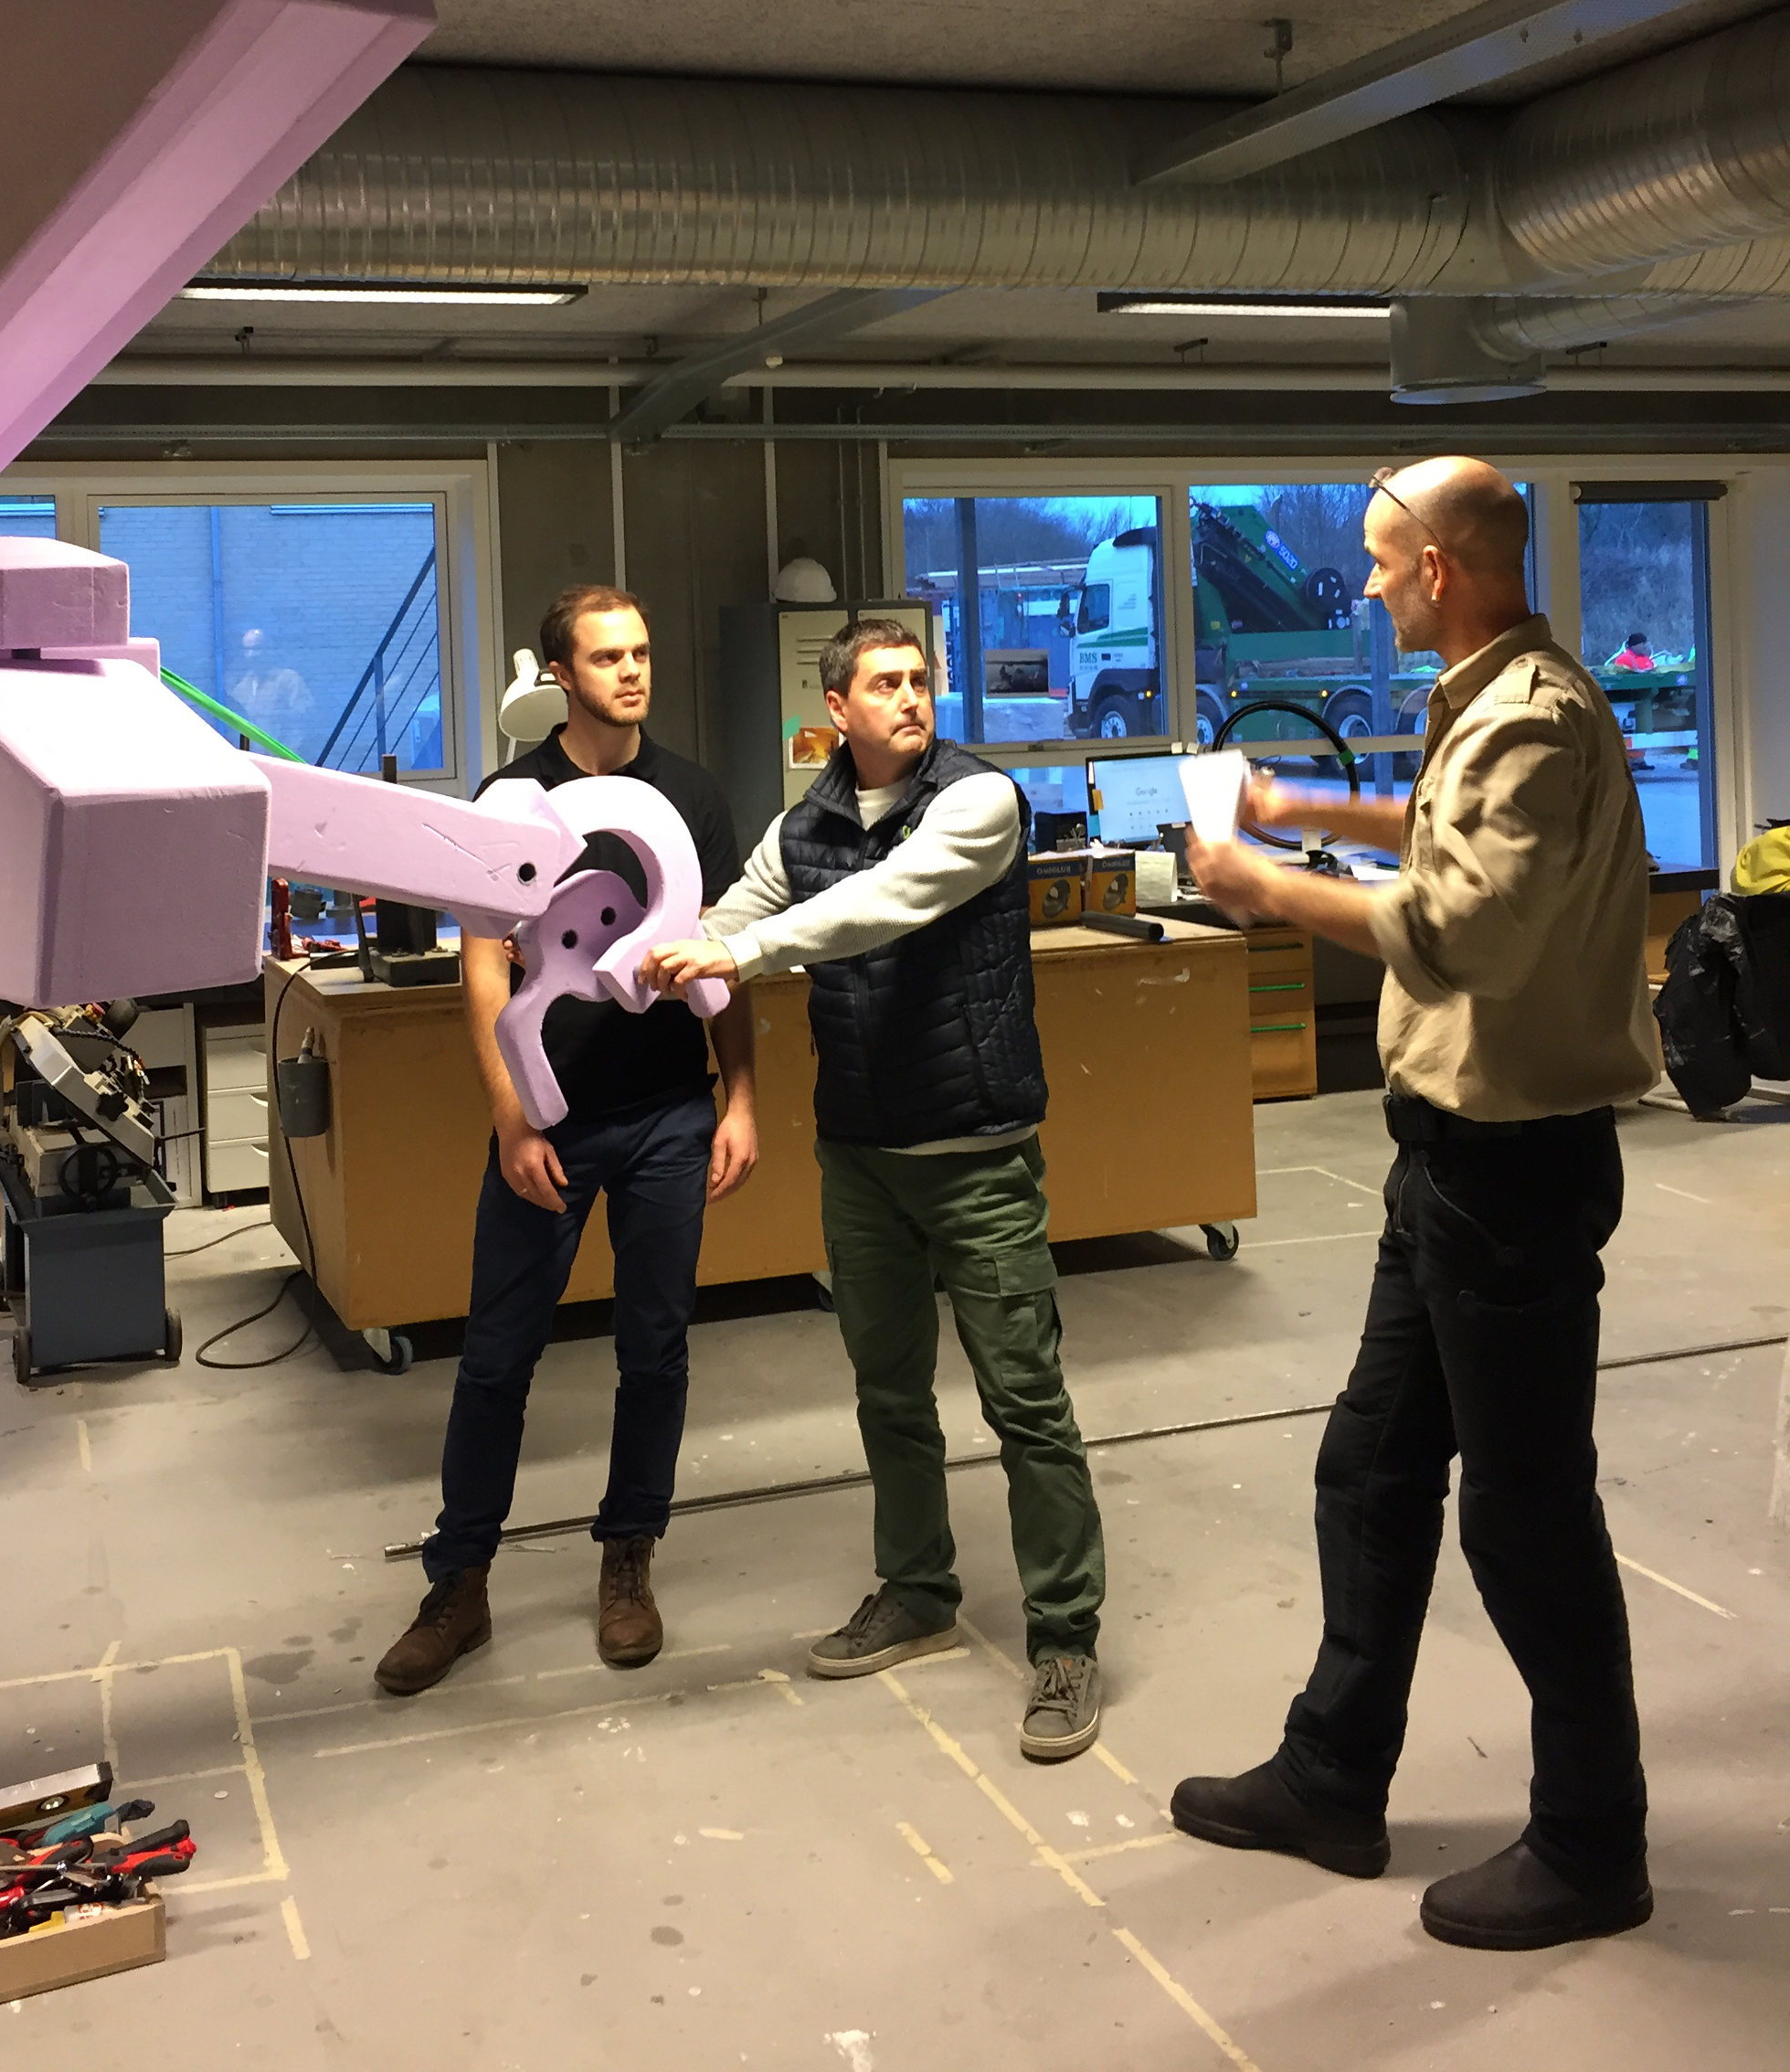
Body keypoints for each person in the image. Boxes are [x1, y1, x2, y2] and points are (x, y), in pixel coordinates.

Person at [1174, 457, 1659, 1952]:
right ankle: (1331, 1772)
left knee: (1522, 1521)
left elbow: (1448, 930)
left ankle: (1589, 1842)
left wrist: (1257, 878)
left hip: (1507, 1170)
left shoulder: (1529, 716)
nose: (1367, 584)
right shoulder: (1484, 696)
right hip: (1441, 1159)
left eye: (1382, 563)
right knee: (1370, 1466)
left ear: (1438, 569)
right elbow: (1441, 842)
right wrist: (1302, 801)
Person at [641, 618, 1107, 1762]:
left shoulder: (978, 800)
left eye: (921, 681)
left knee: (1026, 1405)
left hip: (977, 1156)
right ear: (836, 708)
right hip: (861, 1158)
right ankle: (917, 1590)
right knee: (888, 1395)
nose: (911, 698)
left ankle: (1066, 1639)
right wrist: (648, 953)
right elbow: (739, 909)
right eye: (884, 684)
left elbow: (882, 905)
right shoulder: (803, 827)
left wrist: (738, 960)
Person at [373, 587, 757, 1695]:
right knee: (496, 1358)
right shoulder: (515, 799)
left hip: (669, 1116)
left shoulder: (688, 797)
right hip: (552, 1120)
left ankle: (628, 1559)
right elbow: (483, 963)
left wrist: (741, 1099)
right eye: (606, 657)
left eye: (640, 652)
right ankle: (459, 1583)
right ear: (559, 674)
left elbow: (723, 964)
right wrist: (510, 1114)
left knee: (657, 1350)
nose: (631, 672)